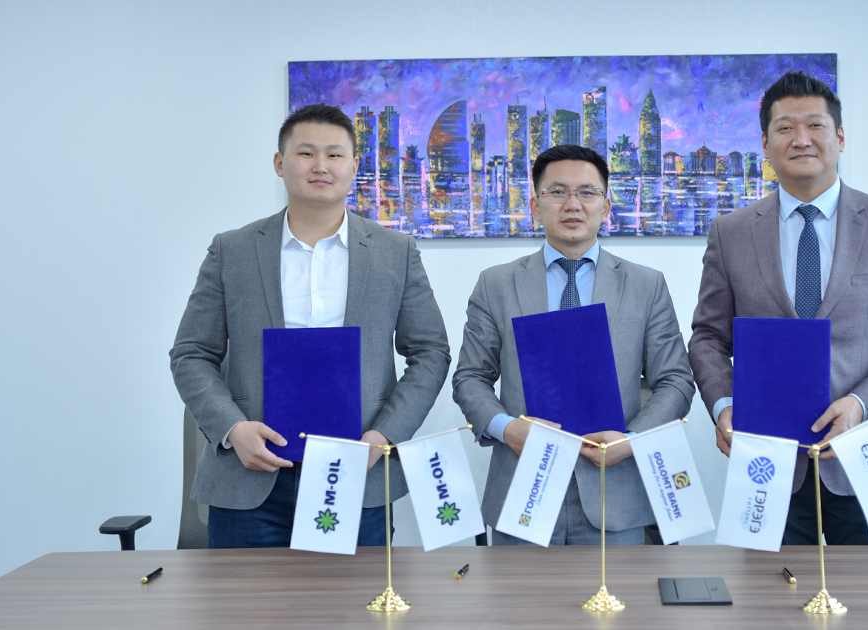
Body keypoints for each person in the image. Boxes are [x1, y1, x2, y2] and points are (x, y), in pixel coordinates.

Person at [169, 104, 451, 548]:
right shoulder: (232, 251)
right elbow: (191, 354)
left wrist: (384, 435)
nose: (320, 165)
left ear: (354, 166)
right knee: (244, 598)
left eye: (334, 154)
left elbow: (431, 352)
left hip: (357, 474)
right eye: (305, 153)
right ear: (280, 164)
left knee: (356, 597)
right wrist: (233, 429)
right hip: (250, 479)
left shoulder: (394, 252)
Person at [689, 72, 868, 545]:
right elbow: (708, 337)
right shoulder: (731, 233)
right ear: (765, 143)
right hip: (768, 461)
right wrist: (724, 404)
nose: (801, 139)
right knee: (768, 590)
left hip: (866, 455)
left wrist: (862, 404)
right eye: (785, 128)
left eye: (815, 125)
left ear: (840, 137)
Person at [452, 144, 694, 545]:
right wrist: (507, 429)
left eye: (587, 192)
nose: (572, 204)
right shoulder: (496, 284)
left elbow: (676, 380)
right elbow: (470, 377)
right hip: (523, 489)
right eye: (557, 192)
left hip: (618, 493)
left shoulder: (646, 285)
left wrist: (632, 441)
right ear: (535, 205)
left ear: (606, 206)